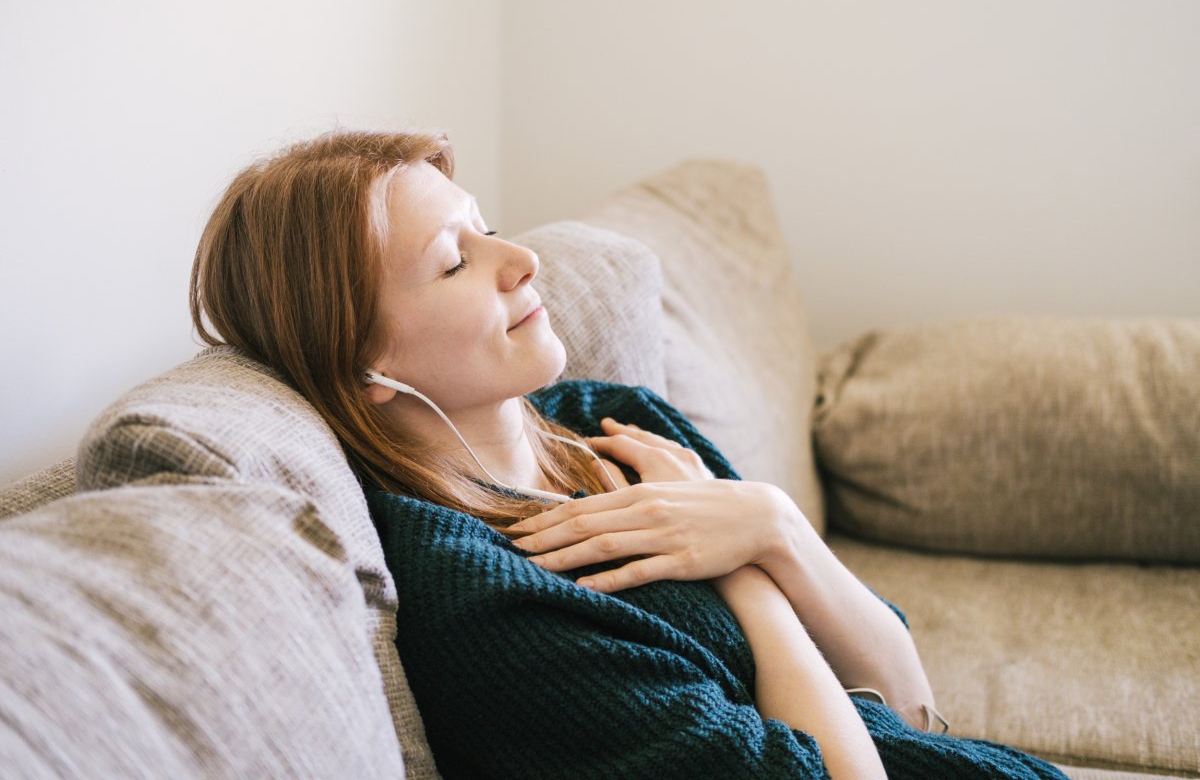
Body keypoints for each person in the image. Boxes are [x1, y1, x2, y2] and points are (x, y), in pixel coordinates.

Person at [189, 129, 1067, 780]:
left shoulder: (612, 423)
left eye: (489, 227)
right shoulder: (477, 596)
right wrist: (749, 573)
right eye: (456, 261)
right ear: (364, 362)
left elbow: (912, 700)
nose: (523, 259)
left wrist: (773, 522)